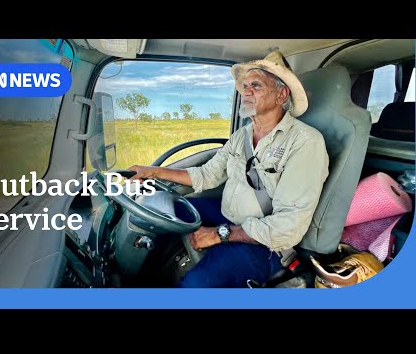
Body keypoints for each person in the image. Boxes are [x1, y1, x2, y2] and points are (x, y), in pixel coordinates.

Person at [129, 50, 329, 287]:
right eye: (244, 86)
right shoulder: (241, 136)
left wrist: (217, 234)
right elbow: (206, 175)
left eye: (256, 85)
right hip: (226, 214)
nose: (246, 91)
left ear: (281, 94)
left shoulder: (306, 142)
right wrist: (152, 171)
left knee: (197, 285)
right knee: (164, 214)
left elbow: (287, 227)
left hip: (264, 243)